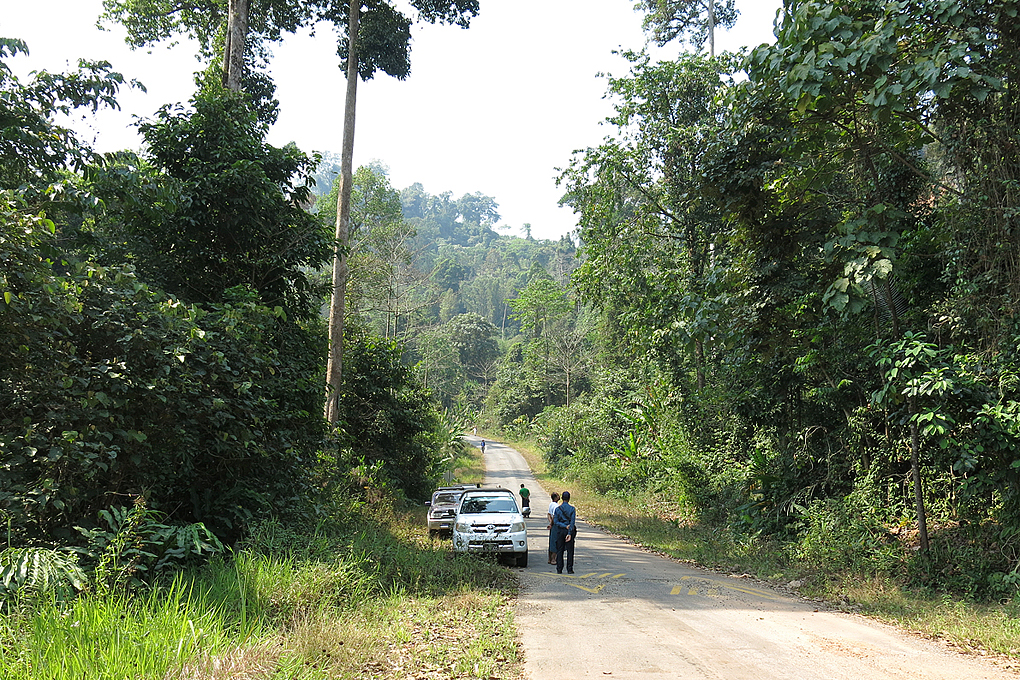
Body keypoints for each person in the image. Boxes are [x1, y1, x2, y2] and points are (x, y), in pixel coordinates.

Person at [552, 491, 576, 574]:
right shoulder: (572, 509)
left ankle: (559, 568)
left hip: (560, 531)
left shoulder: (557, 509)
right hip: (569, 530)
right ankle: (569, 568)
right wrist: (569, 532)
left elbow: (555, 522)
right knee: (570, 551)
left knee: (560, 550)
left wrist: (563, 526)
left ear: (562, 498)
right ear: (569, 499)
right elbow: (572, 522)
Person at [546, 492, 560, 564]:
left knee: (551, 541)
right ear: (556, 497)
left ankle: (549, 558)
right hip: (555, 525)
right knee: (555, 541)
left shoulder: (551, 504)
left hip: (552, 524)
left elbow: (549, 514)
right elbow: (555, 516)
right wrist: (552, 523)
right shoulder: (556, 506)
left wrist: (550, 522)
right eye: (558, 495)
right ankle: (553, 559)